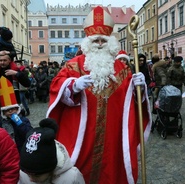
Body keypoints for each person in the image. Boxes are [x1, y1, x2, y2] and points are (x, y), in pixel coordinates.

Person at [46, 6, 151, 184]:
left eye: (103, 40)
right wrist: (73, 86)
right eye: (96, 41)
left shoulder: (122, 69)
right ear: (88, 42)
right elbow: (56, 87)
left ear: (110, 41)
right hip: (83, 135)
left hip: (113, 135)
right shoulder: (74, 65)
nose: (100, 44)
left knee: (112, 170)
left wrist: (138, 88)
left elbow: (131, 104)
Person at [19, 118, 85, 184]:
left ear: (50, 168)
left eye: (37, 175)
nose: (31, 179)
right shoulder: (24, 173)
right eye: (28, 174)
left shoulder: (71, 178)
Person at [0, 54, 31, 122]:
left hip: (14, 105)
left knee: (18, 127)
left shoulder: (15, 70)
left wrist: (17, 74)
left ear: (9, 61)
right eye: (1, 60)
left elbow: (27, 83)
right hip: (0, 107)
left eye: (5, 60)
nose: (2, 62)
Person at [0, 75, 33, 152]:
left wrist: (20, 123)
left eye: (12, 109)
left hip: (22, 149)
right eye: (7, 110)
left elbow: (29, 133)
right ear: (3, 112)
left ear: (17, 109)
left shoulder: (24, 120)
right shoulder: (1, 123)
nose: (10, 111)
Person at [0, 27, 18, 94]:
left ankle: (15, 82)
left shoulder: (10, 45)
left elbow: (14, 53)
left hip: (10, 61)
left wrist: (9, 53)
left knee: (15, 68)